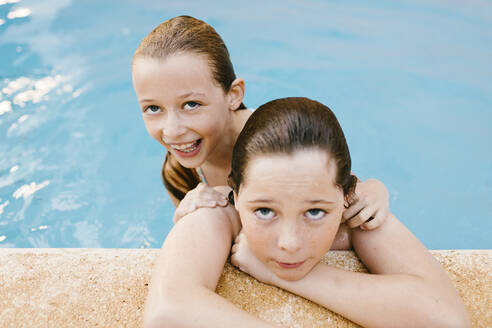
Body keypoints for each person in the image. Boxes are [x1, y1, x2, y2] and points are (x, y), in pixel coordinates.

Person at [143, 97, 470, 327]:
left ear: (345, 196)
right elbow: (166, 313)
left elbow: (447, 319)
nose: (289, 243)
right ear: (237, 194)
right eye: (264, 211)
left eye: (314, 212)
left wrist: (287, 276)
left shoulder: (355, 212)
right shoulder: (217, 208)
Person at [131, 15, 390, 237]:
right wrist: (184, 219)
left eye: (191, 104)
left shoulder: (279, 140)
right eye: (153, 108)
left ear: (233, 95)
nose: (172, 131)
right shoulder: (178, 172)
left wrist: (374, 190)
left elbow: (339, 190)